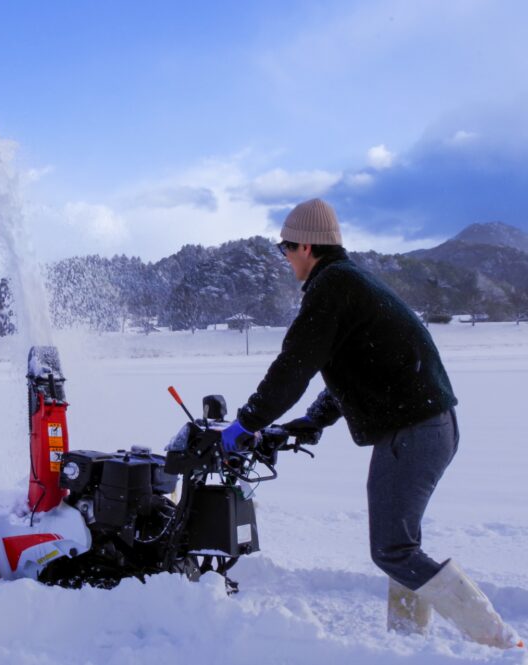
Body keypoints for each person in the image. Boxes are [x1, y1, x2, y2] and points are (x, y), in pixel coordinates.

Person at [220, 198, 521, 649]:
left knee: (391, 550)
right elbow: (361, 365)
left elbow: (293, 368)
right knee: (402, 546)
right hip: (430, 425)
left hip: (414, 431)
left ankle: (495, 638)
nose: (284, 257)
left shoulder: (332, 286)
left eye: (286, 247)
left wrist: (245, 424)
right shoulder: (349, 282)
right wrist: (311, 422)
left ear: (307, 246)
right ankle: (410, 643)